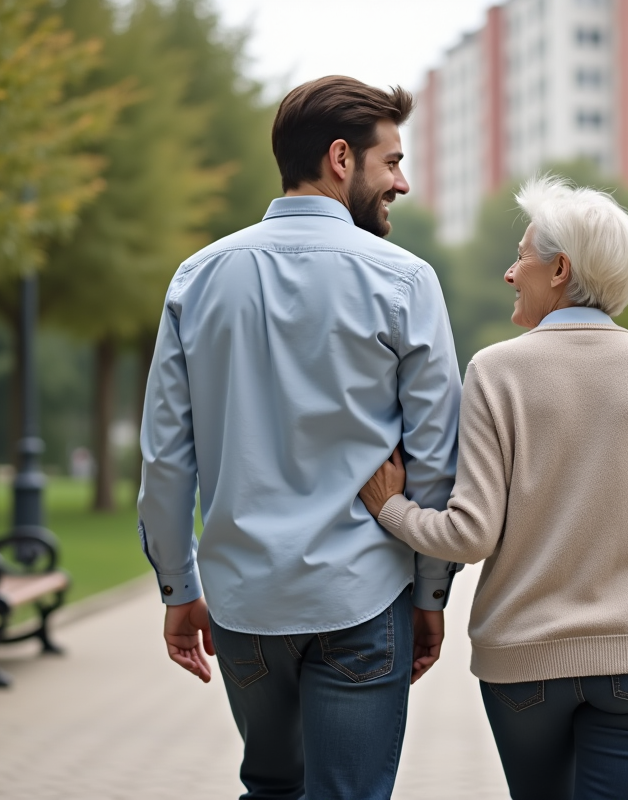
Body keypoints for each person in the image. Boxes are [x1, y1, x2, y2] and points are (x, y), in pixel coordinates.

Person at [359, 175, 628, 800]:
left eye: (521, 256)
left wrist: (391, 508)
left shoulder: (496, 372)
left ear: (560, 269)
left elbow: (469, 535)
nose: (509, 273)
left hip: (525, 666)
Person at [136, 76, 461, 800]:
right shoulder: (405, 281)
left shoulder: (197, 278)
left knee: (271, 788)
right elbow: (436, 456)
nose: (401, 182)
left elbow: (165, 458)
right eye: (391, 162)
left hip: (243, 602)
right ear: (341, 159)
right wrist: (430, 592)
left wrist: (178, 587)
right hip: (364, 596)